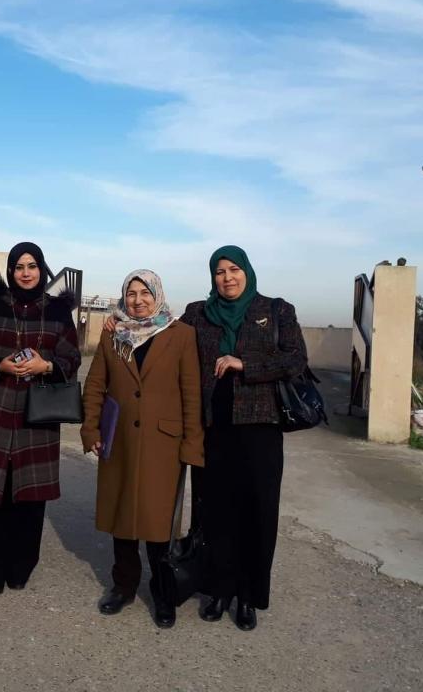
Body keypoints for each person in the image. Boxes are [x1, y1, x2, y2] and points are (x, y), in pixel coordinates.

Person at [179, 245, 307, 631]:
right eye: (220, 272)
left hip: (260, 428)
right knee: (216, 511)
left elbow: (295, 359)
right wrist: (120, 322)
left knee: (258, 511)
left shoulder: (276, 310)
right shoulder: (198, 314)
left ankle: (248, 595)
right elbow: (163, 335)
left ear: (247, 272)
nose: (227, 278)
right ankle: (219, 589)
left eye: (234, 269)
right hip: (213, 426)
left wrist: (245, 364)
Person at [81, 270, 203, 628]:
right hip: (119, 439)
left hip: (164, 444)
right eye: (131, 293)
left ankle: (164, 594)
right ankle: (123, 587)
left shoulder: (181, 334)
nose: (138, 300)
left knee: (159, 523)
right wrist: (91, 429)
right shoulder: (114, 333)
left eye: (145, 292)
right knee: (122, 518)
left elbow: (191, 393)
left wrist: (192, 445)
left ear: (157, 295)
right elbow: (95, 385)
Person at [0, 242, 81, 594]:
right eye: (19, 267)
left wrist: (47, 366)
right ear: (10, 270)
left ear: (42, 269)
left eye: (32, 266)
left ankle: (20, 567)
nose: (26, 273)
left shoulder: (58, 311)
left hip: (37, 414)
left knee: (29, 497)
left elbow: (71, 357)